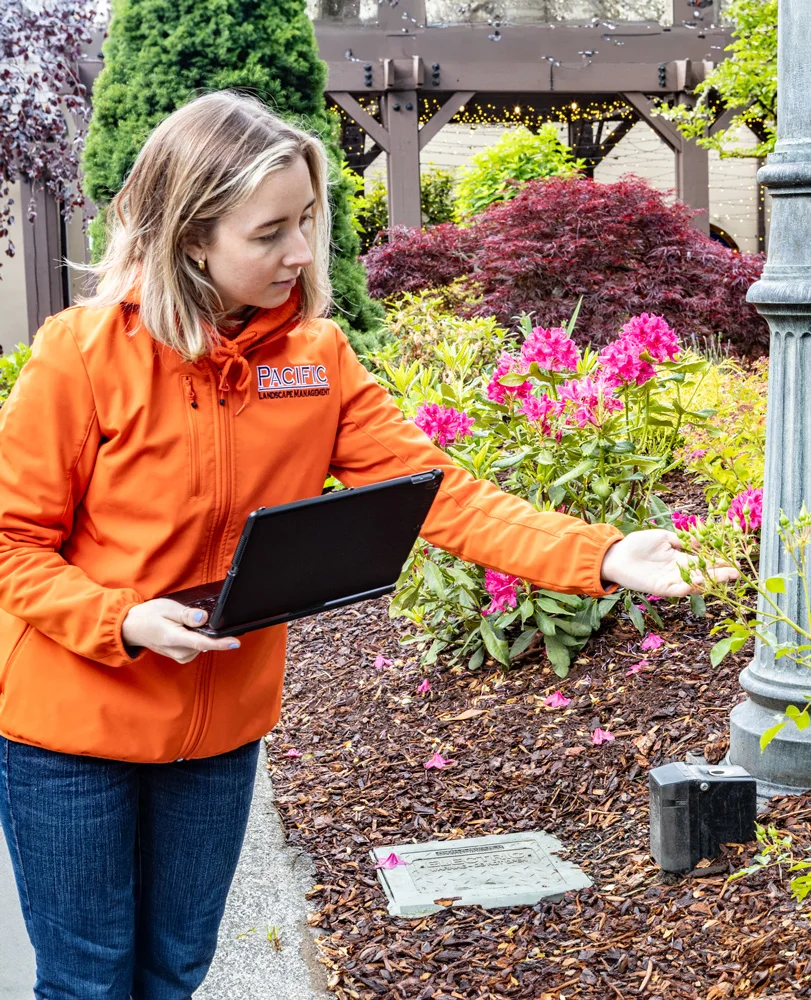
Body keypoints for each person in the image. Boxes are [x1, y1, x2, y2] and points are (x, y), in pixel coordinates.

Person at [0, 90, 736, 1000]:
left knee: (173, 972)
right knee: (89, 982)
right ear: (191, 236)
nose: (303, 252)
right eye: (269, 232)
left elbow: (436, 495)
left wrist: (602, 553)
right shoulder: (81, 356)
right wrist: (122, 619)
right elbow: (12, 544)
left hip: (218, 731)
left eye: (305, 220)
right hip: (72, 732)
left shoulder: (315, 360)